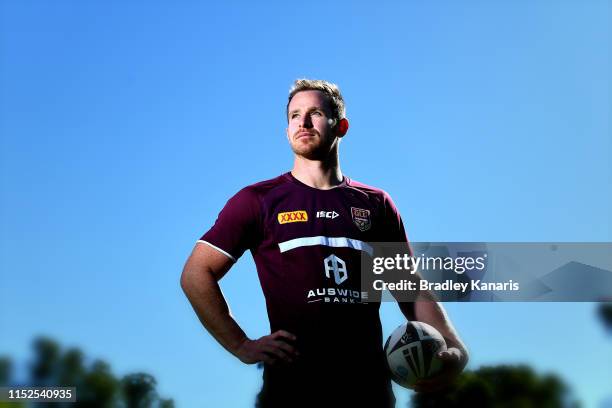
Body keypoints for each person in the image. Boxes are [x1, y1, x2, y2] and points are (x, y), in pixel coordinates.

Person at [181, 79, 468, 407]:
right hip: (291, 389)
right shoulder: (257, 200)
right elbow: (195, 273)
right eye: (294, 116)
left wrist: (452, 343)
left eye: (314, 113)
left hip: (368, 388)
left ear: (340, 126)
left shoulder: (376, 204)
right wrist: (241, 345)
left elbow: (409, 288)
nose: (302, 123)